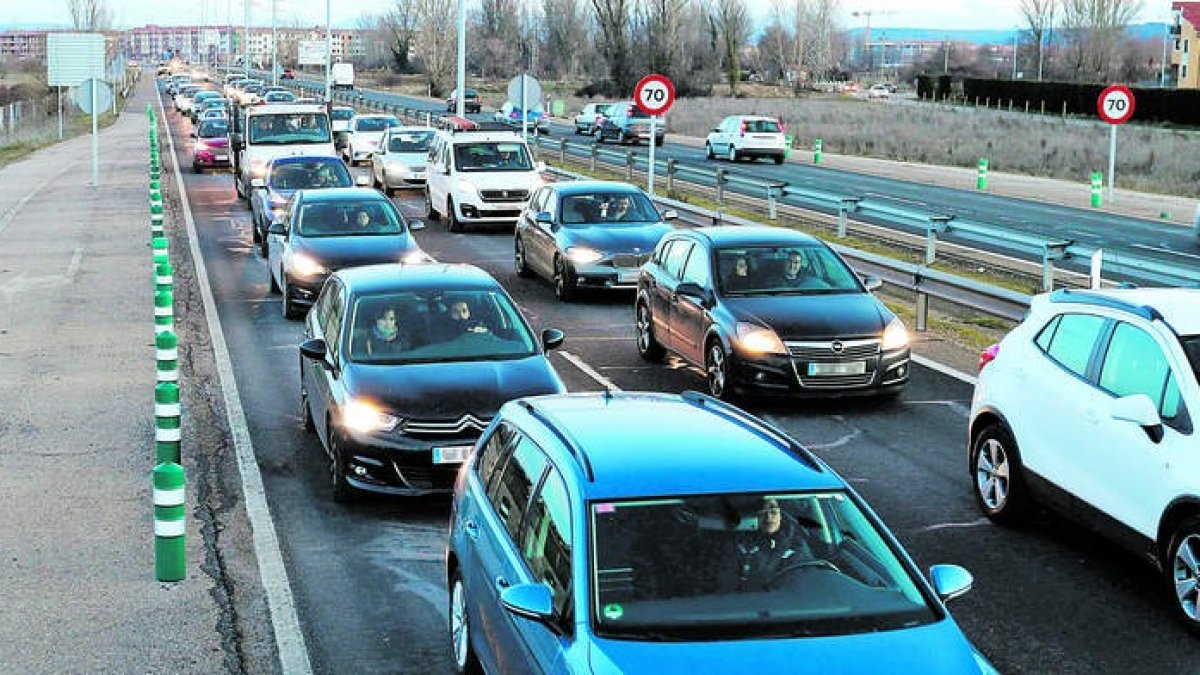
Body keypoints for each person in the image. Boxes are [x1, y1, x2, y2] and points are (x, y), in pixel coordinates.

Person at [736, 497, 812, 591]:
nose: (768, 516)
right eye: (762, 512)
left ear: (781, 515)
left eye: (773, 510)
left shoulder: (797, 543)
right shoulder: (741, 544)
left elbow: (804, 580)